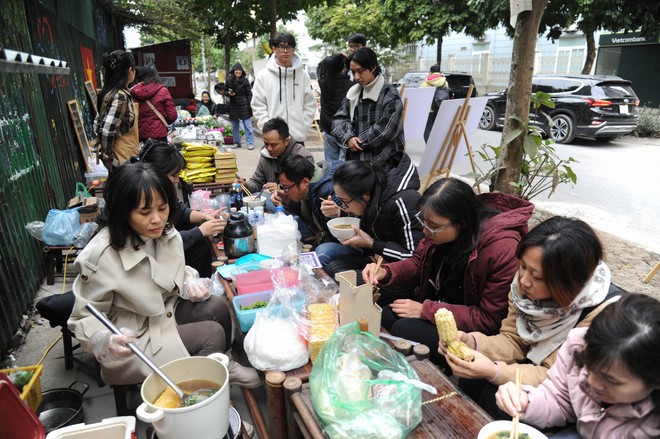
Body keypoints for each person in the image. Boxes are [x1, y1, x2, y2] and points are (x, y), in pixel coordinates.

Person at [68, 163, 260, 388]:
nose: (157, 219)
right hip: (134, 337)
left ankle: (222, 361)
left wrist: (189, 281)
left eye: (162, 208)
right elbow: (83, 317)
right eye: (145, 212)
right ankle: (204, 395)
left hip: (165, 314)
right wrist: (103, 339)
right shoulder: (100, 256)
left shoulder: (166, 233)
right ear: (123, 211)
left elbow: (171, 272)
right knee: (211, 334)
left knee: (217, 306)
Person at [439, 216, 621, 418]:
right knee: (472, 378)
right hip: (533, 369)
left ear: (570, 282)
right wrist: (471, 342)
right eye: (523, 266)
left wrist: (494, 371)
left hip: (567, 394)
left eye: (538, 277)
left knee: (496, 398)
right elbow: (513, 339)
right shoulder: (522, 291)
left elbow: (554, 377)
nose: (523, 281)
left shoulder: (601, 316)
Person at [362, 178, 534, 366]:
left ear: (463, 222)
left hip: (475, 331)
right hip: (444, 308)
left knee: (405, 328)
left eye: (433, 226)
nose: (426, 231)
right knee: (387, 314)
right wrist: (386, 272)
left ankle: (435, 376)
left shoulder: (501, 249)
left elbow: (489, 319)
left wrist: (426, 310)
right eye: (423, 221)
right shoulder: (438, 231)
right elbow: (419, 262)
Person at [495, 293, 660, 438]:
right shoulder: (579, 345)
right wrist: (525, 401)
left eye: (611, 380)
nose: (593, 382)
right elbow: (559, 398)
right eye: (588, 366)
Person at [133, 140, 226, 277]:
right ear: (156, 172)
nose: (177, 180)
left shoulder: (156, 187)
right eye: (174, 175)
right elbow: (156, 242)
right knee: (199, 245)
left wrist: (205, 216)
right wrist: (200, 231)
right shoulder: (140, 193)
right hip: (145, 259)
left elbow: (179, 210)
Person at [316, 151, 424, 270]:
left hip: (399, 270)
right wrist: (338, 213)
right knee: (324, 254)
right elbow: (369, 218)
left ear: (365, 195)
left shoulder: (403, 202)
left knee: (334, 269)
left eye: (344, 201)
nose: (343, 205)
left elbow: (416, 258)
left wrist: (371, 243)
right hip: (376, 255)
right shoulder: (373, 193)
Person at [331, 47, 405, 163]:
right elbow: (338, 119)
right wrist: (348, 137)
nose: (356, 77)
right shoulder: (353, 92)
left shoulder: (389, 94)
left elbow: (386, 129)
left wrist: (357, 142)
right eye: (353, 72)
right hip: (357, 164)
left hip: (385, 165)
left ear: (373, 68)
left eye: (360, 71)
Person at [251, 33, 317, 143]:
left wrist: (303, 127)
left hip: (297, 139)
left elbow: (309, 104)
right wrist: (268, 129)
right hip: (273, 141)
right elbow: (258, 106)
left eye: (289, 47)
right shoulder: (263, 76)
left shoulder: (302, 75)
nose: (286, 51)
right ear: (274, 49)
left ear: (293, 49)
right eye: (281, 47)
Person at [236, 117, 314, 203]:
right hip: (276, 202)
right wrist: (245, 185)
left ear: (286, 141)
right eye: (266, 143)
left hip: (297, 207)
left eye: (274, 145)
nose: (269, 148)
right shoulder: (266, 155)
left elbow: (309, 193)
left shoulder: (303, 157)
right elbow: (257, 182)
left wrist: (282, 189)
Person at [271, 155, 339, 244]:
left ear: (305, 181)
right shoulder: (311, 180)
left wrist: (322, 237)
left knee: (323, 250)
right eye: (283, 187)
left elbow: (338, 232)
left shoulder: (327, 191)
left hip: (344, 242)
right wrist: (286, 199)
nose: (285, 191)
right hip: (319, 231)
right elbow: (303, 211)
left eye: (286, 187)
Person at [95, 50, 138, 171]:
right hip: (121, 158)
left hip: (122, 156)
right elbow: (106, 131)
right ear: (130, 70)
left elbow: (98, 123)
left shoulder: (108, 93)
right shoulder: (120, 96)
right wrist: (108, 158)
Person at [317, 53, 352, 161]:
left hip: (328, 129)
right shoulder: (351, 86)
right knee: (344, 167)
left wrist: (335, 58)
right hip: (344, 132)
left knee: (330, 165)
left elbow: (320, 66)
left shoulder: (323, 83)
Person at [130, 64, 178, 142]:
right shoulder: (163, 91)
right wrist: (161, 123)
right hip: (160, 135)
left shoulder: (133, 92)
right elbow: (172, 115)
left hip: (140, 136)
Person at [226, 63, 255, 150]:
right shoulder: (229, 80)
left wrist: (250, 104)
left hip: (244, 105)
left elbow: (249, 93)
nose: (238, 71)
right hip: (233, 105)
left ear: (242, 71)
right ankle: (236, 142)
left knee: (248, 126)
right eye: (236, 70)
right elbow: (224, 91)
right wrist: (229, 93)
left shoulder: (245, 81)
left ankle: (250, 143)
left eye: (239, 70)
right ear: (233, 71)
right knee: (235, 126)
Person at [420, 65, 450, 142]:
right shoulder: (444, 82)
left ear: (431, 72)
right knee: (437, 129)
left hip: (429, 110)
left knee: (427, 129)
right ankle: (436, 147)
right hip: (440, 108)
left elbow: (420, 95)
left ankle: (429, 147)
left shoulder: (426, 82)